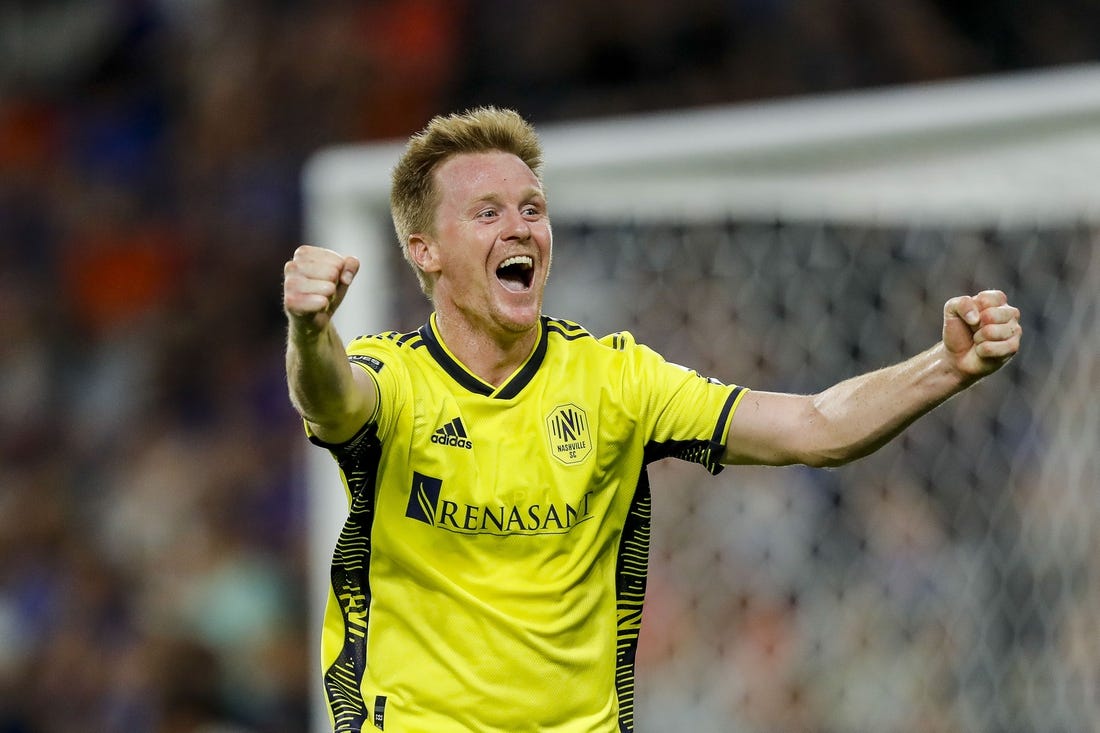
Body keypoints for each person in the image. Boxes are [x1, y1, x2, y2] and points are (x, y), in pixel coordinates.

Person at [282, 107, 1022, 733]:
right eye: (487, 212)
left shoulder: (617, 380)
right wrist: (312, 331)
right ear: (426, 251)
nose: (521, 228)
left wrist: (945, 367)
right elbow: (332, 398)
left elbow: (814, 427)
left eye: (532, 208)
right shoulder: (397, 375)